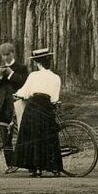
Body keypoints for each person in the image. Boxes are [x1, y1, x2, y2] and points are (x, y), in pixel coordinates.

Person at [12, 47, 64, 176]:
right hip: (46, 106)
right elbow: (55, 98)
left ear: (37, 62)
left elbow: (25, 92)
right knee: (50, 136)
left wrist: (17, 94)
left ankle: (36, 169)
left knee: (31, 135)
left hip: (34, 106)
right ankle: (55, 168)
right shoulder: (56, 77)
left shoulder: (34, 76)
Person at [0, 41, 30, 170]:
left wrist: (11, 73)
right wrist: (0, 75)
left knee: (24, 134)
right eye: (3, 55)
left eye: (7, 54)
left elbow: (23, 84)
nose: (5, 57)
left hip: (18, 105)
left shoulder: (21, 67)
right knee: (5, 138)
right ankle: (10, 164)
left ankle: (28, 163)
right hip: (2, 107)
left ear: (12, 53)